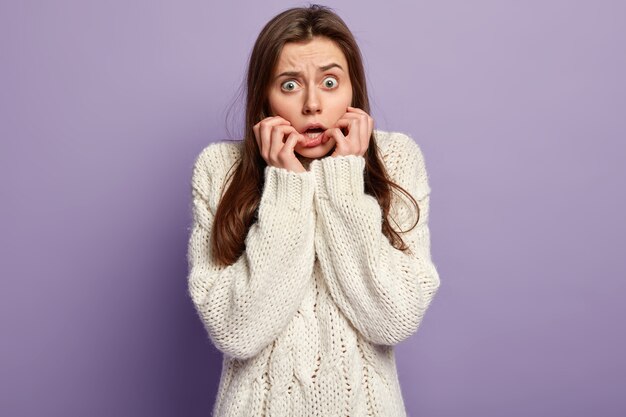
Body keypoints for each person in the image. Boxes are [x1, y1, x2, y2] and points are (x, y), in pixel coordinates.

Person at [187, 4, 441, 416]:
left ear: (353, 89)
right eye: (289, 85)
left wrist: (343, 179)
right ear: (264, 98)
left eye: (329, 81)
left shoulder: (396, 158)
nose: (312, 105)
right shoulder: (220, 168)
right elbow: (237, 331)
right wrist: (286, 186)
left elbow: (392, 320)